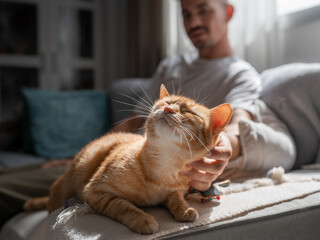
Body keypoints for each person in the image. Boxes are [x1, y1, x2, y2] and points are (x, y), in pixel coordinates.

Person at [0, 0, 294, 227]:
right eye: (186, 14)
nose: (194, 21)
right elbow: (136, 121)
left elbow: (239, 123)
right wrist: (85, 155)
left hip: (160, 167)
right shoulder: (171, 66)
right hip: (122, 158)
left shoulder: (241, 75)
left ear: (228, 12)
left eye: (203, 10)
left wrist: (224, 146)